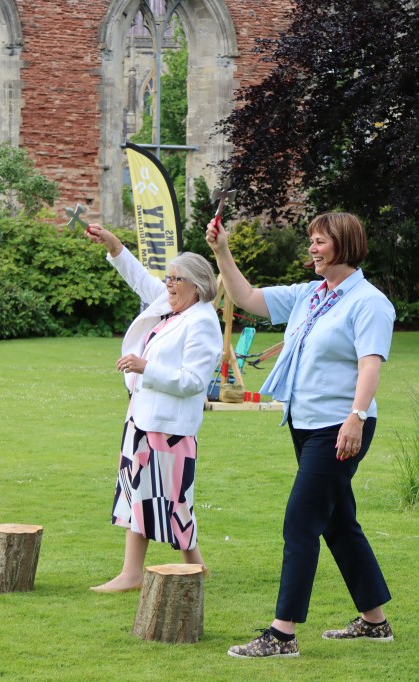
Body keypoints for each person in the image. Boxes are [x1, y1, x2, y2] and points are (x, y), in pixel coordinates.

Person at [206, 212, 396, 658]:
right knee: (338, 523)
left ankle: (282, 634)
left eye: (320, 242)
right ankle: (375, 623)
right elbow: (247, 296)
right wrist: (221, 250)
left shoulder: (368, 303)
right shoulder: (310, 295)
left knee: (300, 522)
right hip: (305, 424)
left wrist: (356, 416)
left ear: (344, 245)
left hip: (340, 427)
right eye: (310, 240)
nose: (312, 248)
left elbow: (370, 365)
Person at [84, 223, 223, 593]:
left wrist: (146, 367)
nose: (168, 284)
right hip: (143, 419)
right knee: (145, 493)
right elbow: (141, 280)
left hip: (169, 428)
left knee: (169, 499)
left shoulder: (202, 321)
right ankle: (190, 568)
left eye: (176, 279)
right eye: (169, 277)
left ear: (197, 284)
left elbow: (194, 380)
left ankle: (135, 574)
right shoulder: (173, 306)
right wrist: (114, 246)